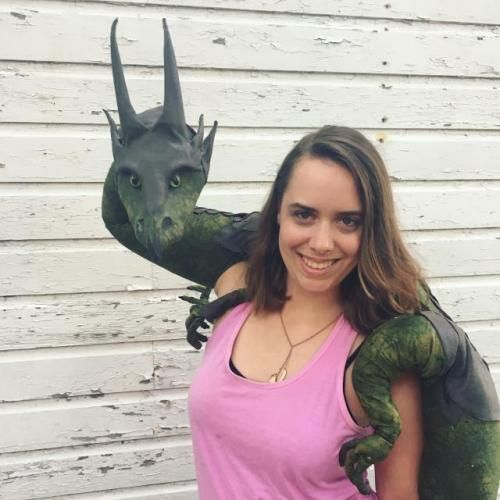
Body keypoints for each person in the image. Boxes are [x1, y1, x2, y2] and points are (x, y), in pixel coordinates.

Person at [187, 125, 423, 499]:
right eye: (304, 215)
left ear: (372, 230)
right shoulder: (235, 292)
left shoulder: (380, 355)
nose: (322, 243)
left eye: (348, 221)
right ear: (278, 212)